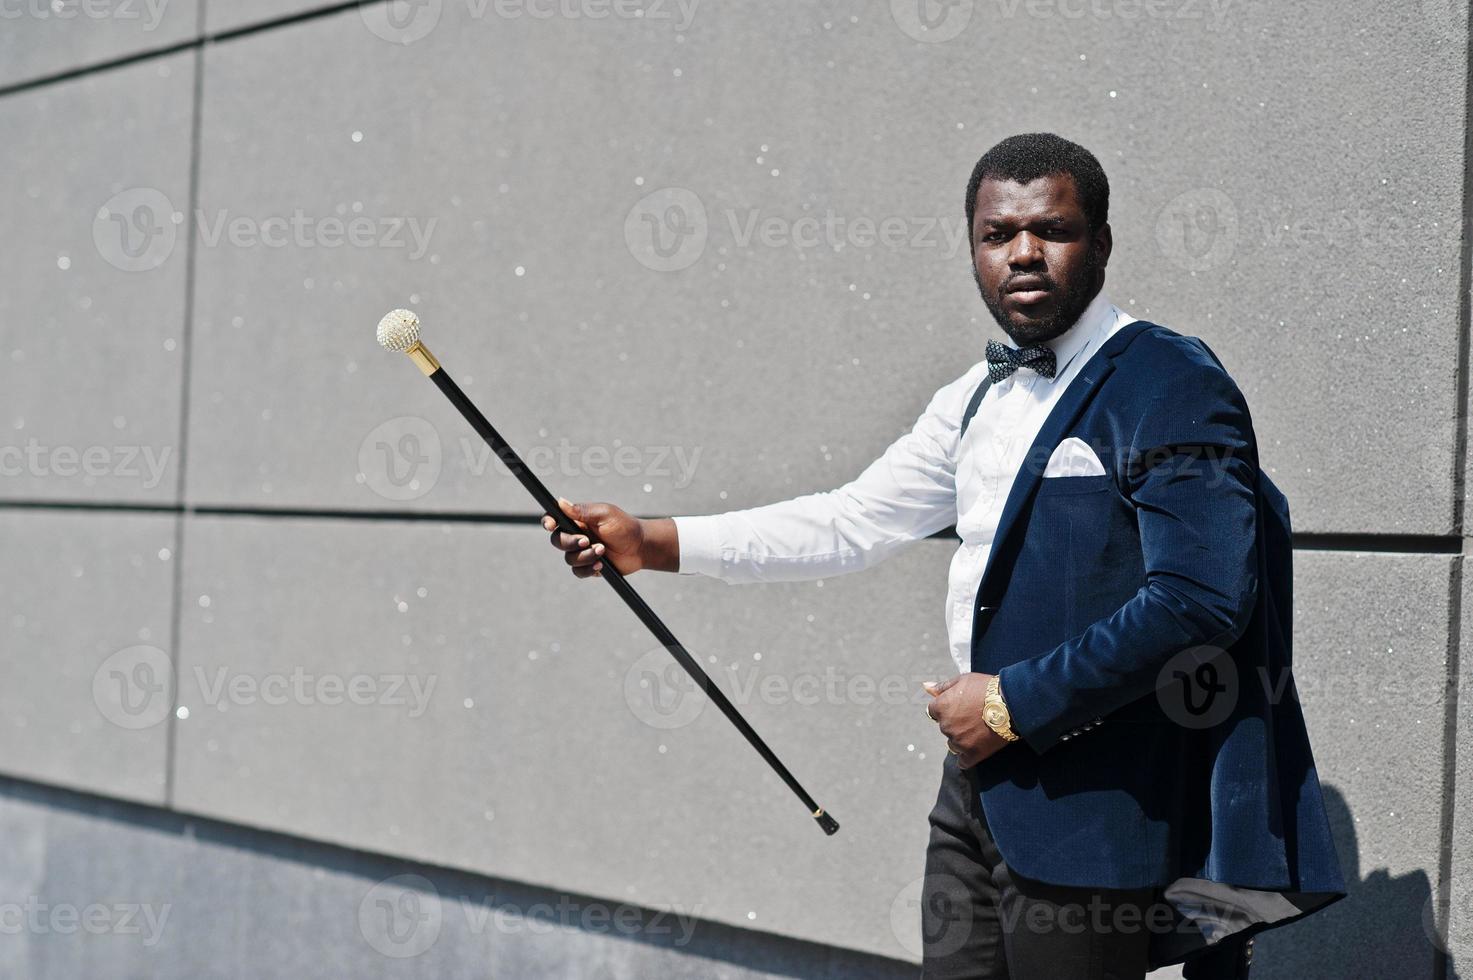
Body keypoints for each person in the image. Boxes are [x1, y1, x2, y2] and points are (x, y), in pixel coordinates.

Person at [541, 133, 1345, 979]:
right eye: (997, 235)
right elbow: (849, 522)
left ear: (1100, 243)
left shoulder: (1170, 382)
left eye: (1052, 230)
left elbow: (1200, 598)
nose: (1023, 253)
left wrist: (1009, 704)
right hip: (971, 794)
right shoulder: (974, 396)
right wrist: (652, 542)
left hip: (1099, 800)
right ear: (972, 248)